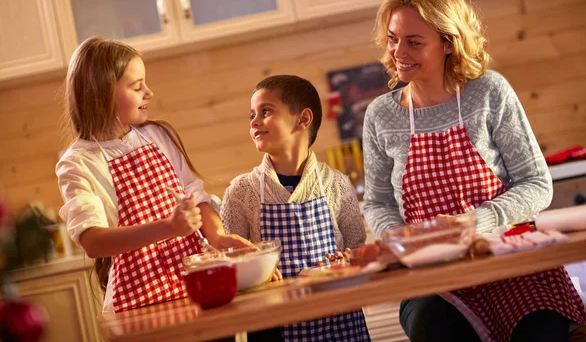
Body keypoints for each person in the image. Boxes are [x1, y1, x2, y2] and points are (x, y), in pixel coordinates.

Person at [362, 0, 586, 342]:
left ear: (448, 43)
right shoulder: (381, 115)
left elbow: (536, 184)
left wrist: (478, 221)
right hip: (433, 275)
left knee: (540, 330)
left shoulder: (488, 92)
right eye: (392, 38)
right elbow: (378, 201)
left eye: (413, 42)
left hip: (509, 261)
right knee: (433, 326)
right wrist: (402, 239)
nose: (397, 52)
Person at [56, 36, 250, 314]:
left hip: (194, 286)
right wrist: (169, 228)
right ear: (104, 93)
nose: (149, 93)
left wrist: (217, 236)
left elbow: (195, 195)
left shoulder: (158, 136)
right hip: (138, 305)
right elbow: (94, 242)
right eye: (137, 87)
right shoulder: (78, 163)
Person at [220, 75, 371, 341]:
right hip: (273, 327)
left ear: (303, 119)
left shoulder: (336, 184)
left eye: (265, 111)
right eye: (252, 114)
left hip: (340, 323)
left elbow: (357, 251)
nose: (254, 121)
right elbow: (230, 264)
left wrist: (346, 261)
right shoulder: (240, 192)